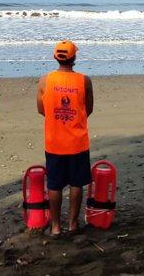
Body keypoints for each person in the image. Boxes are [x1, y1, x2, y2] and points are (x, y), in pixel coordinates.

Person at [37, 40, 94, 237]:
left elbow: (41, 109)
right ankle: (72, 224)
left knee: (54, 184)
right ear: (74, 58)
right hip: (77, 142)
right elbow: (88, 109)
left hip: (54, 142)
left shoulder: (45, 80)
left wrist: (58, 118)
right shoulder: (84, 80)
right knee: (76, 183)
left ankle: (55, 226)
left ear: (55, 57)